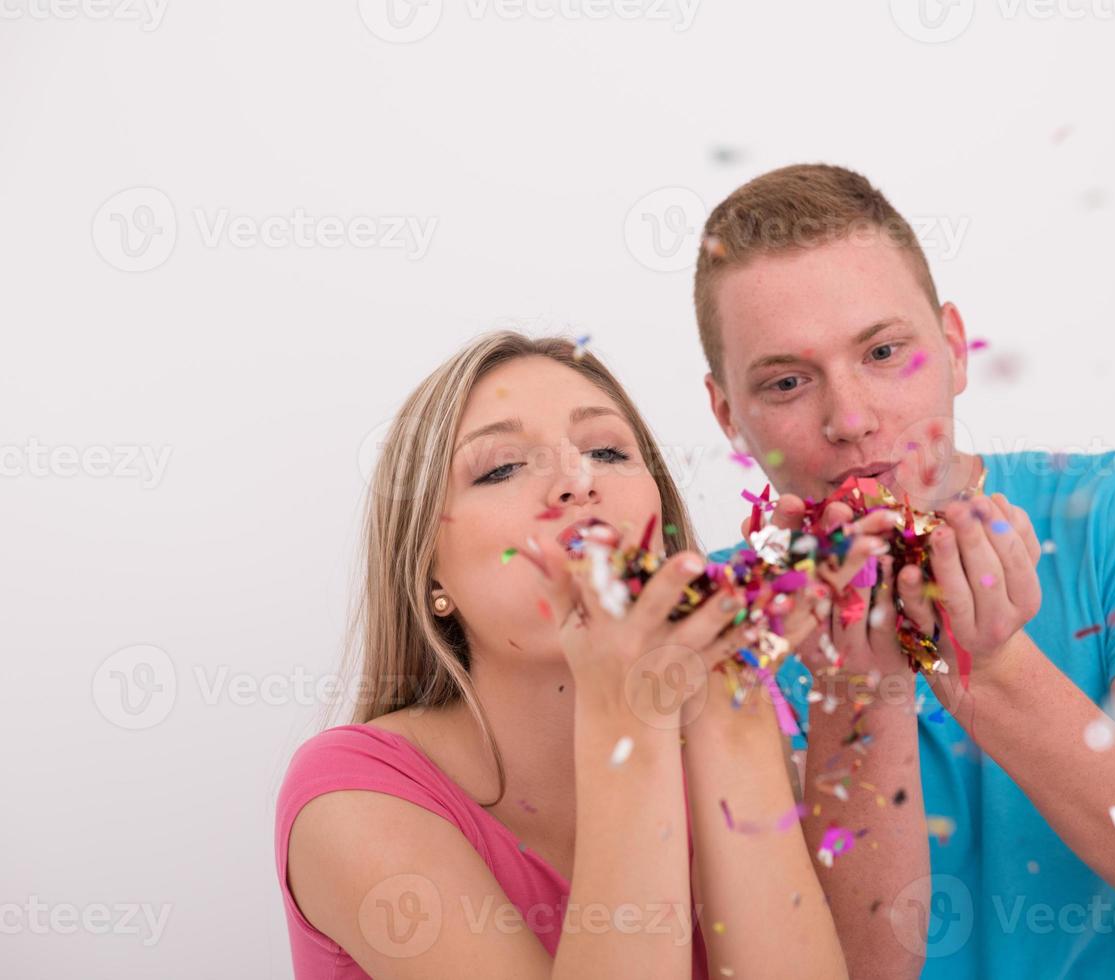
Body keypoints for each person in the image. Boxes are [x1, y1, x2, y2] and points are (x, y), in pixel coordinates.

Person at [695, 164, 1115, 980]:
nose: (850, 420)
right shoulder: (713, 629)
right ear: (728, 415)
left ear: (954, 349)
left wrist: (991, 667)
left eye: (884, 351)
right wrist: (859, 690)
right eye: (787, 382)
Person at [274, 331, 881, 979]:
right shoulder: (349, 796)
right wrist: (629, 722)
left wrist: (727, 695)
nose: (577, 481)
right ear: (429, 574)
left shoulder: (732, 719)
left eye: (607, 451)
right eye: (500, 467)